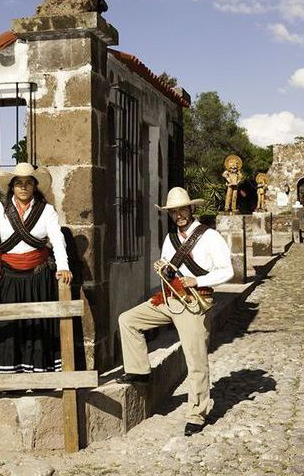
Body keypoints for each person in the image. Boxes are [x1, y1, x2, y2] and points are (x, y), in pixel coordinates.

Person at [117, 187, 234, 437]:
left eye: (182, 210)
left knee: (196, 361)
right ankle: (139, 372)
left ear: (191, 209)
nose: (178, 215)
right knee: (128, 320)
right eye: (173, 212)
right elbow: (169, 272)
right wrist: (164, 270)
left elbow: (227, 271)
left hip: (195, 302)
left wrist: (198, 280)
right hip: (170, 299)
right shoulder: (169, 239)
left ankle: (197, 414)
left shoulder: (210, 236)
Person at [0, 163, 73, 374]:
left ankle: (39, 375)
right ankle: (6, 374)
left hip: (38, 278)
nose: (23, 187)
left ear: (34, 186)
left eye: (28, 183)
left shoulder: (46, 210)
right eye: (18, 183)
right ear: (12, 186)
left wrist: (63, 267)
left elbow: (58, 239)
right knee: (7, 323)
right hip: (9, 277)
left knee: (38, 323)